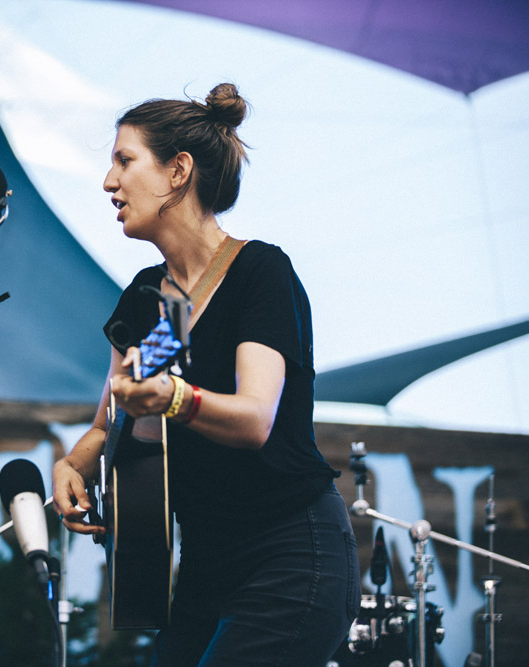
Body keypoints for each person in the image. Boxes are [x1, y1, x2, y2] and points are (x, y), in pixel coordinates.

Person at [52, 84, 360, 666]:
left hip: (291, 556)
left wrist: (172, 397)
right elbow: (109, 421)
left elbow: (253, 420)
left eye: (124, 160)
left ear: (178, 171)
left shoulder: (259, 272)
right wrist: (72, 465)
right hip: (202, 569)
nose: (107, 182)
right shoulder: (144, 300)